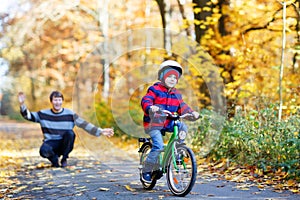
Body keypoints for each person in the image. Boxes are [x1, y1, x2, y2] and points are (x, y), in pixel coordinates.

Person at [18, 91, 114, 168]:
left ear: (62, 101)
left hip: (65, 143)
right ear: (51, 101)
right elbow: (28, 116)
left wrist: (100, 130)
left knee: (70, 133)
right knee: (43, 150)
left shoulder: (69, 114)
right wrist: (22, 104)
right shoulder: (43, 114)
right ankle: (55, 160)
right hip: (51, 142)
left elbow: (84, 124)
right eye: (55, 100)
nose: (57, 103)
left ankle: (64, 158)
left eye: (59, 100)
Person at [141, 60, 200, 183]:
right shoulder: (154, 89)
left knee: (182, 126)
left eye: (175, 77)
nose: (172, 79)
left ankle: (177, 150)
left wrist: (192, 113)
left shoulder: (176, 93)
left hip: (168, 122)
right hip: (154, 124)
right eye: (169, 76)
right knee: (158, 146)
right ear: (162, 77)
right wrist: (151, 107)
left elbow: (182, 107)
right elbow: (146, 100)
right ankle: (146, 170)